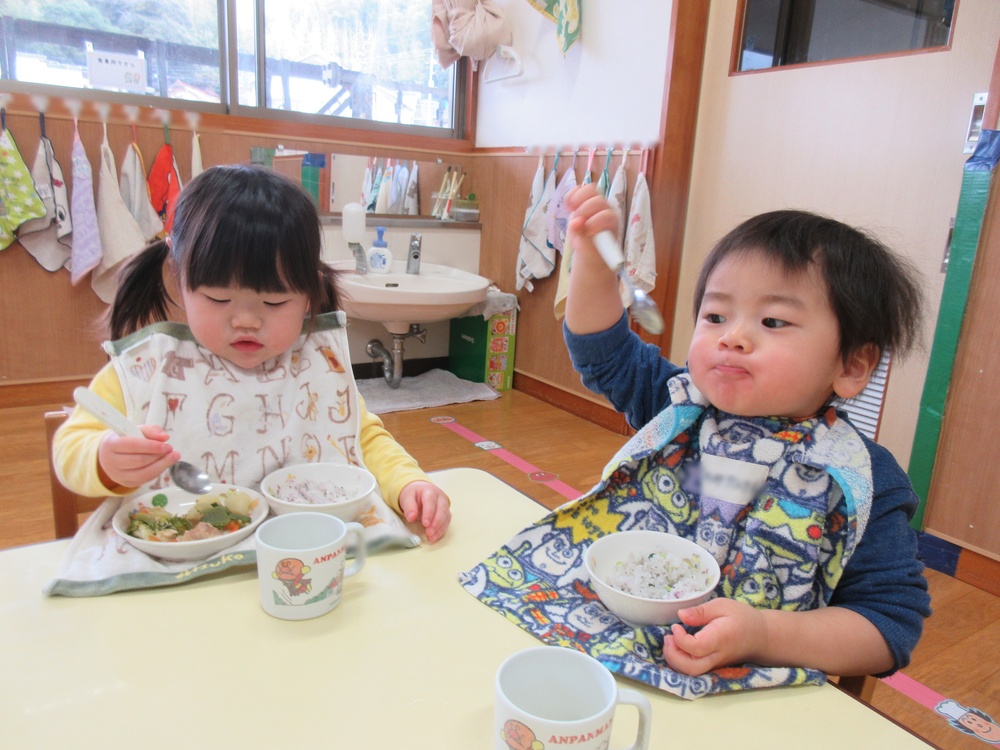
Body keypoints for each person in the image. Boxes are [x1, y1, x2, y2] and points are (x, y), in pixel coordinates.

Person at [561, 182, 930, 679]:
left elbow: (888, 627)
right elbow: (601, 350)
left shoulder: (861, 479)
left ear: (853, 365)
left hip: (755, 688)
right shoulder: (677, 405)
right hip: (617, 647)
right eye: (715, 316)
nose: (732, 336)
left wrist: (763, 634)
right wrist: (591, 259)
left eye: (773, 321)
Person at [53, 164, 450, 543]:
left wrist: (409, 483)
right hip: (183, 560)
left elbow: (359, 438)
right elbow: (71, 446)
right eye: (218, 298)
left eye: (274, 302)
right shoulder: (151, 367)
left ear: (309, 292)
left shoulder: (315, 363)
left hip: (310, 550)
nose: (246, 321)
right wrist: (104, 461)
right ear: (179, 276)